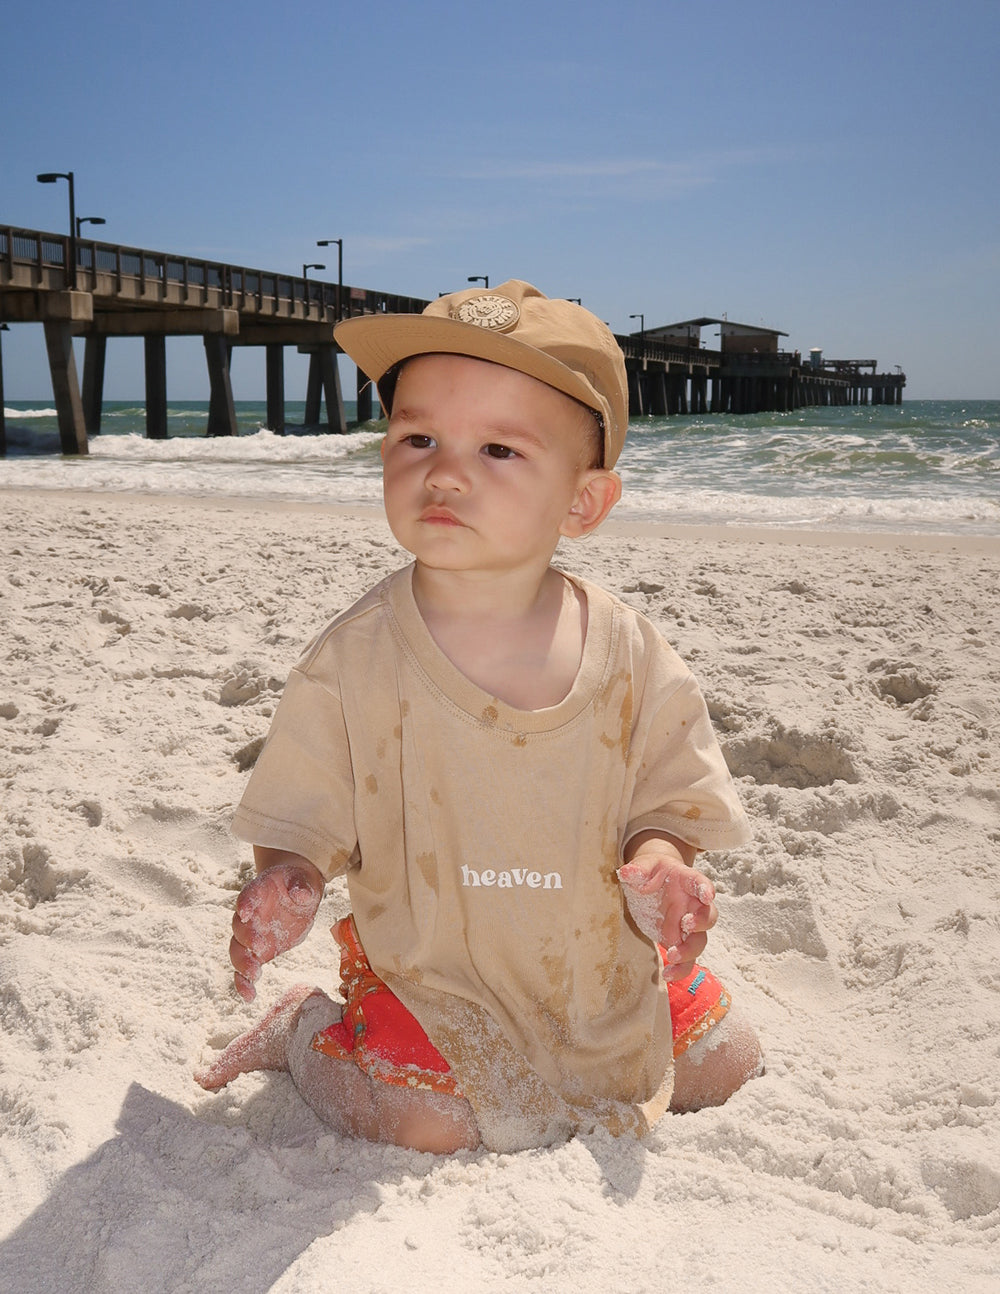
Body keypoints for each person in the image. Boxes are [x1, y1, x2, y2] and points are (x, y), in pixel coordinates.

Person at [195, 280, 762, 1154]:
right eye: (417, 438)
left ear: (583, 502)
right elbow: (303, 812)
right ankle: (306, 1028)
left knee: (728, 1060)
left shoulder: (632, 653)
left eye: (498, 448)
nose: (445, 472)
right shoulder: (356, 658)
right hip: (433, 983)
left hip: (593, 977)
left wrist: (661, 861)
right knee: (432, 1122)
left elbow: (668, 793)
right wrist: (291, 877)